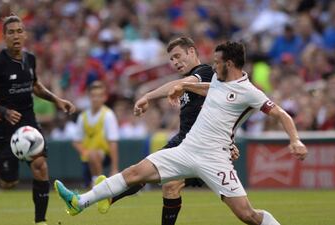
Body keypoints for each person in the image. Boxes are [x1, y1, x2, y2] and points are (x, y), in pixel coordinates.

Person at [54, 41, 308, 225]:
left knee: (247, 215)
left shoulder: (250, 92)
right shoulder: (218, 80)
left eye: (217, 61)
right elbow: (209, 88)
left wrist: (295, 140)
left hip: (214, 158)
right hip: (187, 149)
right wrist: (181, 87)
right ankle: (80, 202)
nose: (213, 64)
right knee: (134, 173)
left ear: (228, 63)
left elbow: (281, 114)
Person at [97, 36, 239, 224]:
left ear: (191, 51)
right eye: (171, 59)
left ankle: (108, 195)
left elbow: (187, 87)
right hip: (187, 143)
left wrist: (148, 96)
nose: (175, 62)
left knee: (149, 175)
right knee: (168, 185)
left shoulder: (204, 72)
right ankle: (109, 196)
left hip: (198, 147)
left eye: (178, 56)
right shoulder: (188, 84)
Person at [0, 14, 75, 225]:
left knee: (40, 166)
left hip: (29, 122)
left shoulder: (30, 59)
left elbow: (35, 86)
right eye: (11, 32)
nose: (16, 36)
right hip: (5, 127)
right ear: (3, 37)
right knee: (8, 183)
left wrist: (57, 100)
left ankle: (40, 221)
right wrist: (2, 110)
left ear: (26, 34)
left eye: (19, 31)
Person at [72, 80, 119, 189]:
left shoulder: (108, 115)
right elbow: (76, 141)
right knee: (86, 187)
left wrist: (114, 168)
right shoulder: (83, 116)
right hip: (87, 158)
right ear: (89, 97)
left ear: (104, 97)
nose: (96, 99)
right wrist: (85, 152)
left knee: (94, 155)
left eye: (99, 96)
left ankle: (98, 182)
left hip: (104, 154)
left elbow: (113, 142)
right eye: (93, 96)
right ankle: (97, 182)